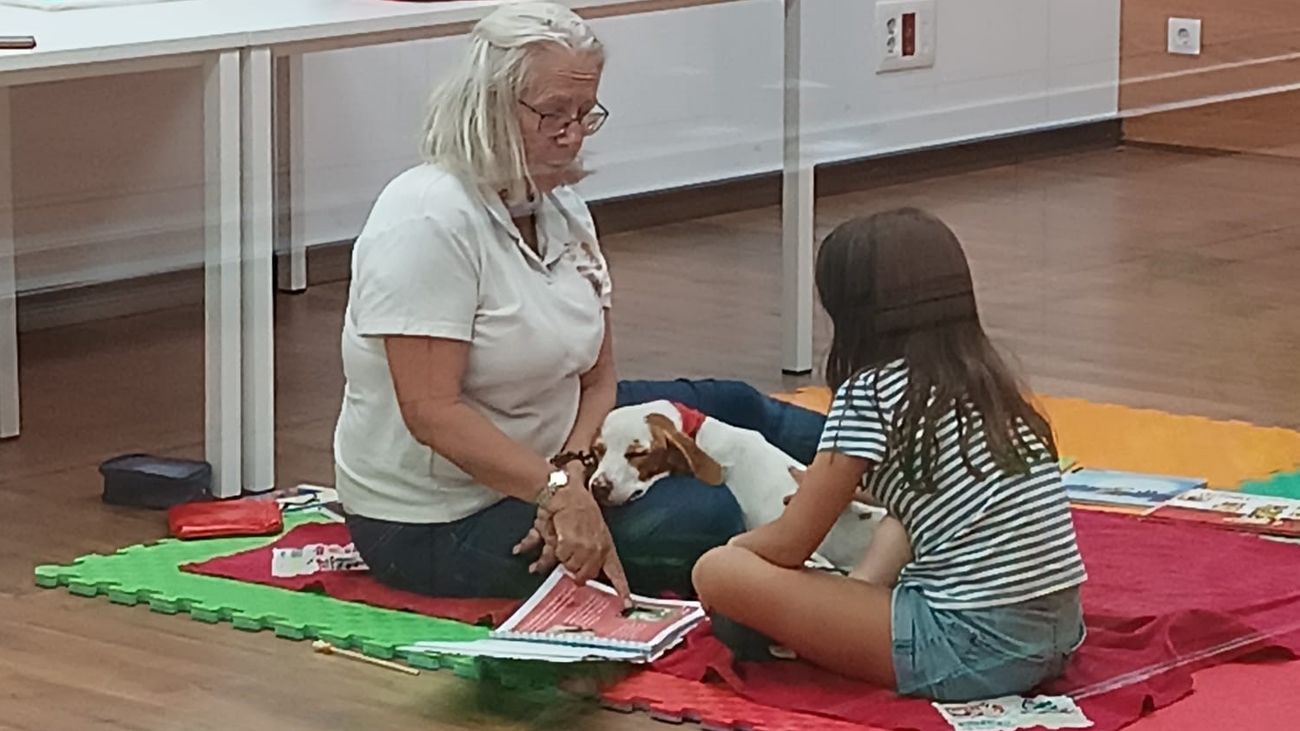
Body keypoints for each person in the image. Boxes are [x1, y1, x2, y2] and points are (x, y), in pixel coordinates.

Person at [332, 1, 826, 602]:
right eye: (551, 114)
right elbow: (432, 413)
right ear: (488, 105)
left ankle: (927, 476)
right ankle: (839, 540)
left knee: (734, 404)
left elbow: (600, 377)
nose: (570, 133)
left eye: (585, 113)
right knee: (702, 518)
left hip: (558, 444)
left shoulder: (562, 207)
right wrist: (556, 491)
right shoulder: (427, 217)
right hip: (438, 520)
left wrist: (571, 468)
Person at [692, 208, 1088, 702]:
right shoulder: (988, 381)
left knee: (717, 571)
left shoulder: (871, 393)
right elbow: (927, 494)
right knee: (899, 520)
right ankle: (857, 599)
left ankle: (841, 614)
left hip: (966, 651)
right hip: (1058, 636)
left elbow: (789, 545)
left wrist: (740, 558)